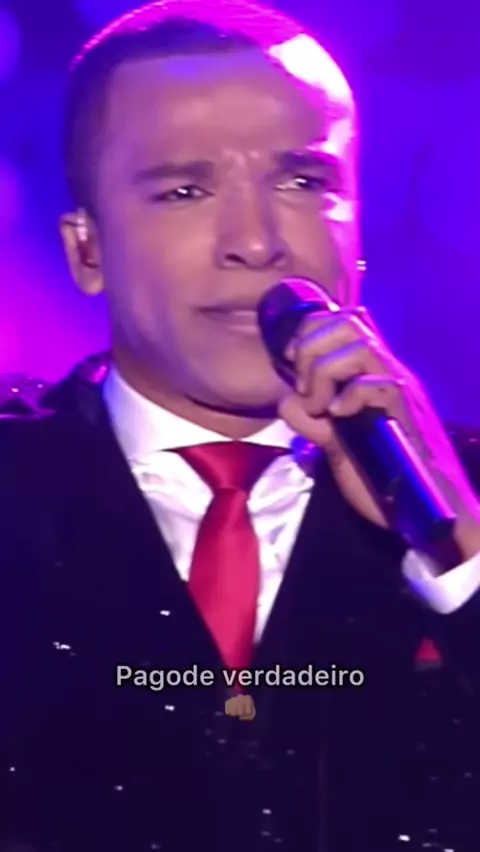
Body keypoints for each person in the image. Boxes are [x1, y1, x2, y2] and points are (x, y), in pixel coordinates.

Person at [1, 1, 480, 850]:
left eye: (304, 183)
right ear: (87, 250)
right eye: (184, 191)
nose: (257, 244)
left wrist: (454, 547)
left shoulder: (463, 498)